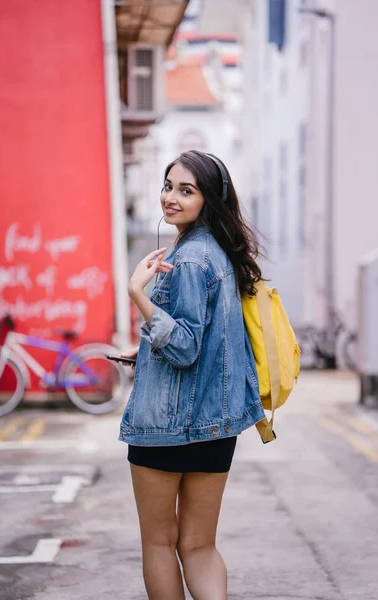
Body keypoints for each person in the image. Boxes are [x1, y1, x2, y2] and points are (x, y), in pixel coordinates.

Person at [119, 150, 266, 600]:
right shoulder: (219, 252)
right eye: (168, 186)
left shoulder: (187, 260)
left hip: (165, 427)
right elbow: (209, 339)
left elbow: (183, 347)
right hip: (216, 423)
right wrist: (146, 350)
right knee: (200, 546)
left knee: (159, 542)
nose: (171, 198)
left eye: (187, 190)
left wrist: (137, 294)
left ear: (210, 199)